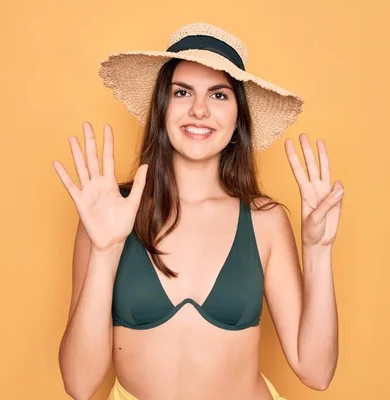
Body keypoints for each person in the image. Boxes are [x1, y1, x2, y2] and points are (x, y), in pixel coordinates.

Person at [54, 22, 345, 400]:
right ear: (162, 107)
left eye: (219, 95)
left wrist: (319, 250)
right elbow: (79, 384)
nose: (199, 110)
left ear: (238, 118)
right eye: (182, 92)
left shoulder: (265, 221)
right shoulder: (111, 213)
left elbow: (316, 371)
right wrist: (105, 250)